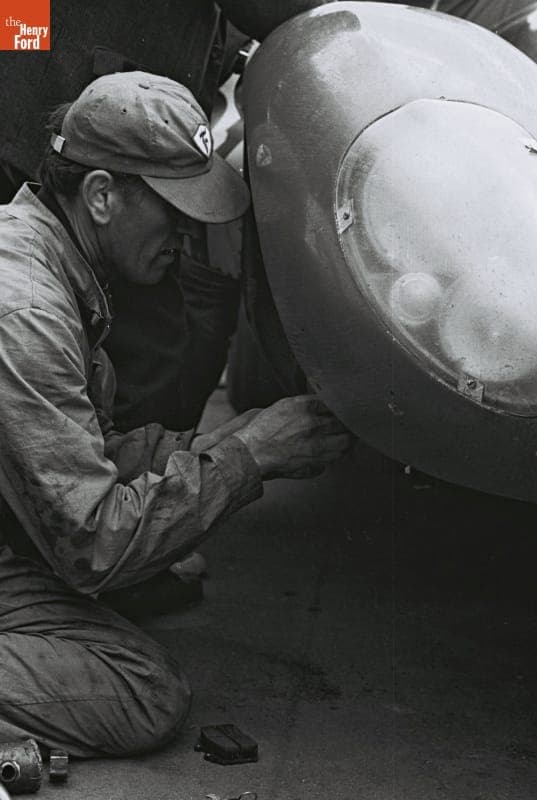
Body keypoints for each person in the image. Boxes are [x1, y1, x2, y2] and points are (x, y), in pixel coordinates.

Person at [0, 70, 351, 758]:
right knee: (138, 691)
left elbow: (76, 455)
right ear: (102, 196)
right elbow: (93, 547)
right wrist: (251, 460)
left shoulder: (45, 254)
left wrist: (232, 439)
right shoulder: (27, 308)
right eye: (173, 211)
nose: (189, 235)